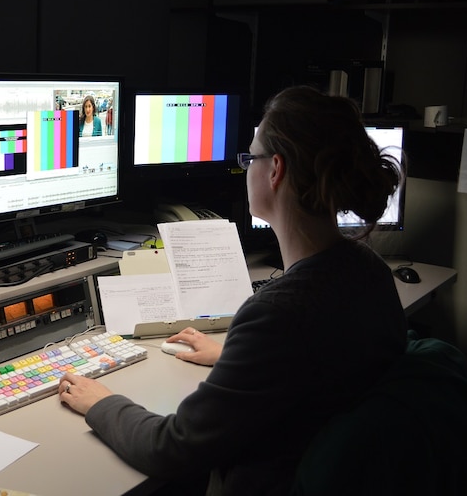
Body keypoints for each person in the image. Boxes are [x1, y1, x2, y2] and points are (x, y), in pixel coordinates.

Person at [57, 85, 407, 495]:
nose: (246, 168)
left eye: (250, 157)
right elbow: (322, 368)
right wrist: (236, 359)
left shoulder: (277, 315)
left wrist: (101, 402)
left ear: (275, 170)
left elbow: (172, 447)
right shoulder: (368, 270)